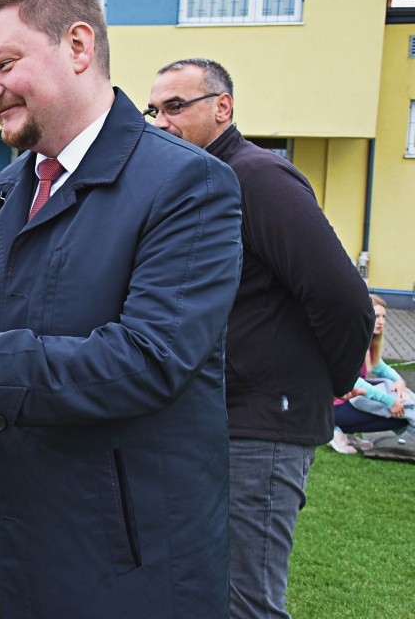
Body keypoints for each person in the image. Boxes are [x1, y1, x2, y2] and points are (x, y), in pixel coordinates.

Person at [0, 0, 244, 619]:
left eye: (4, 64)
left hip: (130, 571)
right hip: (19, 556)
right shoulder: (12, 187)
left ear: (78, 47)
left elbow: (147, 362)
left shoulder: (189, 185)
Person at [147, 58, 374, 619]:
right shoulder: (194, 182)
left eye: (176, 106)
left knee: (244, 603)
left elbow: (344, 299)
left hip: (264, 428)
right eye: (155, 110)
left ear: (222, 107)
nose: (162, 121)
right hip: (213, 420)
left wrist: (331, 380)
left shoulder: (259, 177)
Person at [331, 294, 414, 450]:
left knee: (402, 410)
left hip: (348, 402)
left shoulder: (368, 343)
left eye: (384, 316)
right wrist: (390, 401)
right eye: (376, 316)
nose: (381, 321)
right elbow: (355, 381)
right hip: (332, 409)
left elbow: (382, 368)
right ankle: (334, 430)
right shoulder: (352, 343)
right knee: (400, 416)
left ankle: (347, 432)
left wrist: (400, 382)